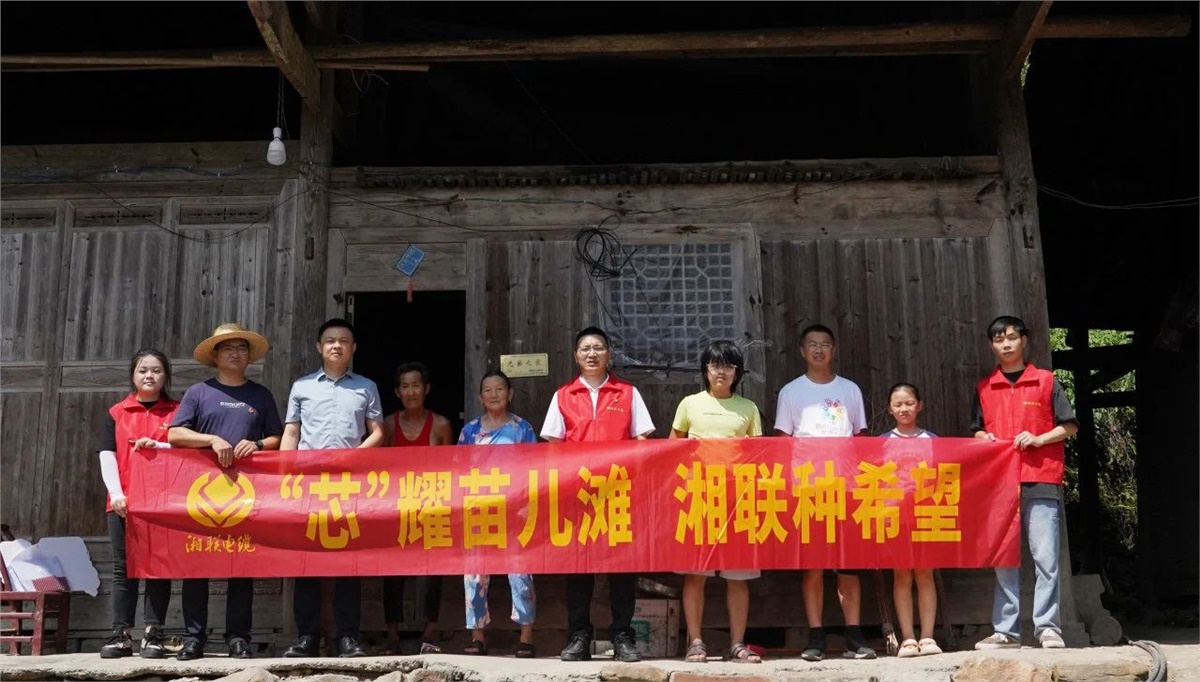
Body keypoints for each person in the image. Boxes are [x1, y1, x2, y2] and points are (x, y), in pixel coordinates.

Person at [167, 323, 283, 661]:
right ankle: (194, 638)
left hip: (247, 494)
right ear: (215, 356)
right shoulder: (199, 392)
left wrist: (257, 444)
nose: (235, 353)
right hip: (201, 494)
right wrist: (212, 439)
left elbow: (277, 438)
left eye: (242, 348)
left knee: (241, 568)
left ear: (249, 356)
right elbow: (175, 434)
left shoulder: (260, 395)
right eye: (228, 348)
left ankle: (238, 638)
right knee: (196, 568)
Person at [542, 326, 656, 663]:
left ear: (609, 354)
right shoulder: (563, 395)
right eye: (585, 349)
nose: (592, 354)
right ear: (576, 356)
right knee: (579, 569)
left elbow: (642, 440)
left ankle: (622, 637)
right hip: (577, 496)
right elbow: (553, 445)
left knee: (622, 569)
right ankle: (578, 637)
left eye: (598, 348)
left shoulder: (628, 393)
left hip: (619, 495)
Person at [971, 316, 1077, 651]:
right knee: (1004, 558)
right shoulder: (985, 387)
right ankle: (1006, 631)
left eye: (1011, 337)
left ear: (1024, 340)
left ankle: (1048, 628)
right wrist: (984, 438)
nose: (1005, 344)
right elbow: (976, 429)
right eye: (998, 339)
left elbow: (1070, 425)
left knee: (1046, 558)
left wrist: (1039, 438)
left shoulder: (1046, 381)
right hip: (999, 484)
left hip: (1040, 477)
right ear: (992, 345)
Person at [280, 319, 384, 659]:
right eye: (329, 340)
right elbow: (292, 433)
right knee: (306, 563)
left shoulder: (366, 387)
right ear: (319, 347)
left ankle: (347, 638)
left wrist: (353, 457)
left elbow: (377, 432)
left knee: (349, 562)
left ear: (353, 348)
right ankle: (307, 637)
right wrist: (282, 478)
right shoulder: (302, 386)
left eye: (343, 341)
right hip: (309, 485)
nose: (336, 345)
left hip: (350, 485)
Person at [773, 323, 875, 661]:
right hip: (808, 488)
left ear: (834, 350)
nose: (819, 350)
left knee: (849, 564)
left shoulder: (849, 390)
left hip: (845, 487)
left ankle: (854, 635)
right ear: (802, 351)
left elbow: (861, 438)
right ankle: (815, 635)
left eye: (825, 344)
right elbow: (783, 443)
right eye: (812, 344)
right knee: (813, 564)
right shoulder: (791, 392)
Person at [671, 340, 763, 664]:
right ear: (705, 370)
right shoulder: (689, 404)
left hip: (737, 500)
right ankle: (695, 641)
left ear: (737, 372)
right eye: (714, 365)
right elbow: (672, 449)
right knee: (695, 574)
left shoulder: (748, 408)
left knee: (738, 577)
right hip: (698, 498)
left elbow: (758, 455)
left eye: (727, 366)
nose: (720, 372)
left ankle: (737, 643)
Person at [97, 349, 178, 659]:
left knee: (158, 569)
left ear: (166, 376)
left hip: (163, 505)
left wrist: (160, 445)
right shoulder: (117, 412)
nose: (149, 375)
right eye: (143, 370)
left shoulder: (178, 412)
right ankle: (121, 635)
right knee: (124, 569)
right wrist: (116, 493)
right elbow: (107, 455)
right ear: (133, 375)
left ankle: (153, 634)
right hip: (123, 503)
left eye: (156, 370)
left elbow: (186, 451)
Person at [457, 371, 538, 658]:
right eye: (488, 390)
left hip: (516, 510)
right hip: (479, 510)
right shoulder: (469, 432)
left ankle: (526, 637)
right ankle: (477, 636)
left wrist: (529, 504)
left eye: (499, 389)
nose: (494, 394)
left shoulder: (522, 428)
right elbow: (459, 471)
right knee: (475, 574)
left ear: (510, 393)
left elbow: (534, 469)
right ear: (480, 397)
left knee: (520, 572)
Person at [381, 361, 454, 655]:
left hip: (431, 507)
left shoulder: (441, 425)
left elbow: (451, 468)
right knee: (392, 572)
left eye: (416, 385)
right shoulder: (388, 425)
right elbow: (379, 468)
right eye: (405, 386)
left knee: (431, 571)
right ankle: (392, 635)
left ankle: (429, 634)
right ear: (397, 392)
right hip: (397, 507)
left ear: (426, 389)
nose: (411, 392)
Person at [879, 382, 942, 658]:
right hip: (895, 515)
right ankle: (907, 637)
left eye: (909, 403)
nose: (904, 409)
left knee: (925, 573)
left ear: (920, 405)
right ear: (890, 409)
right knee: (902, 573)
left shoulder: (933, 440)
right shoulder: (882, 442)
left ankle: (927, 637)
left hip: (926, 513)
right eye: (898, 404)